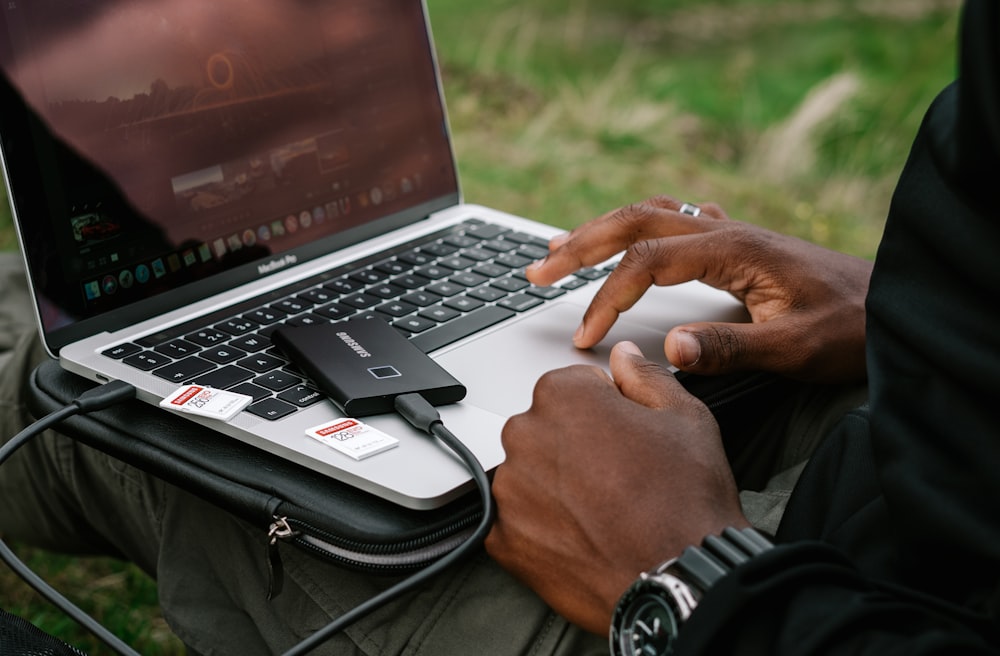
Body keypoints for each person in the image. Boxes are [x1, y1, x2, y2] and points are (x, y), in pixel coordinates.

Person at [1, 1, 997, 654]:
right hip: (880, 438)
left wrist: (694, 581)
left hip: (799, 594)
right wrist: (903, 306)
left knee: (107, 421)